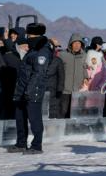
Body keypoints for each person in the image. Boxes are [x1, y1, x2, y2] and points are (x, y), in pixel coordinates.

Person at [10, 23, 52, 154]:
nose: (28, 37)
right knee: (20, 117)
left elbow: (39, 73)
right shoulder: (32, 50)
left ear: (38, 35)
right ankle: (21, 143)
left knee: (34, 119)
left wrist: (29, 90)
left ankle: (36, 145)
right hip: (22, 89)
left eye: (31, 35)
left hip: (33, 90)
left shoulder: (43, 51)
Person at [55, 33, 88, 119]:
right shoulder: (62, 54)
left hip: (78, 90)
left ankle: (74, 130)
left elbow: (86, 68)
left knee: (76, 113)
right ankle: (61, 130)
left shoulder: (84, 55)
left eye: (79, 43)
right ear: (71, 44)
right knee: (63, 111)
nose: (77, 45)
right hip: (65, 90)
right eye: (75, 43)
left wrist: (86, 78)